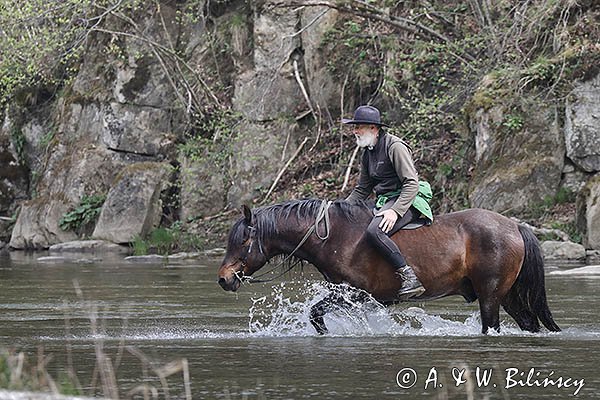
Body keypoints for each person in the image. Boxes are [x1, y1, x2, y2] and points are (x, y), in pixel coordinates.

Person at [342, 105, 432, 299]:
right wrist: (339, 209)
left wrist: (395, 211)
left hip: (408, 199)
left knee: (375, 230)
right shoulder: (367, 151)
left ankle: (410, 278)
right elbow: (363, 189)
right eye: (354, 127)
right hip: (385, 200)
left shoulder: (395, 146)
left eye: (359, 127)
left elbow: (411, 184)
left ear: (374, 128)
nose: (354, 131)